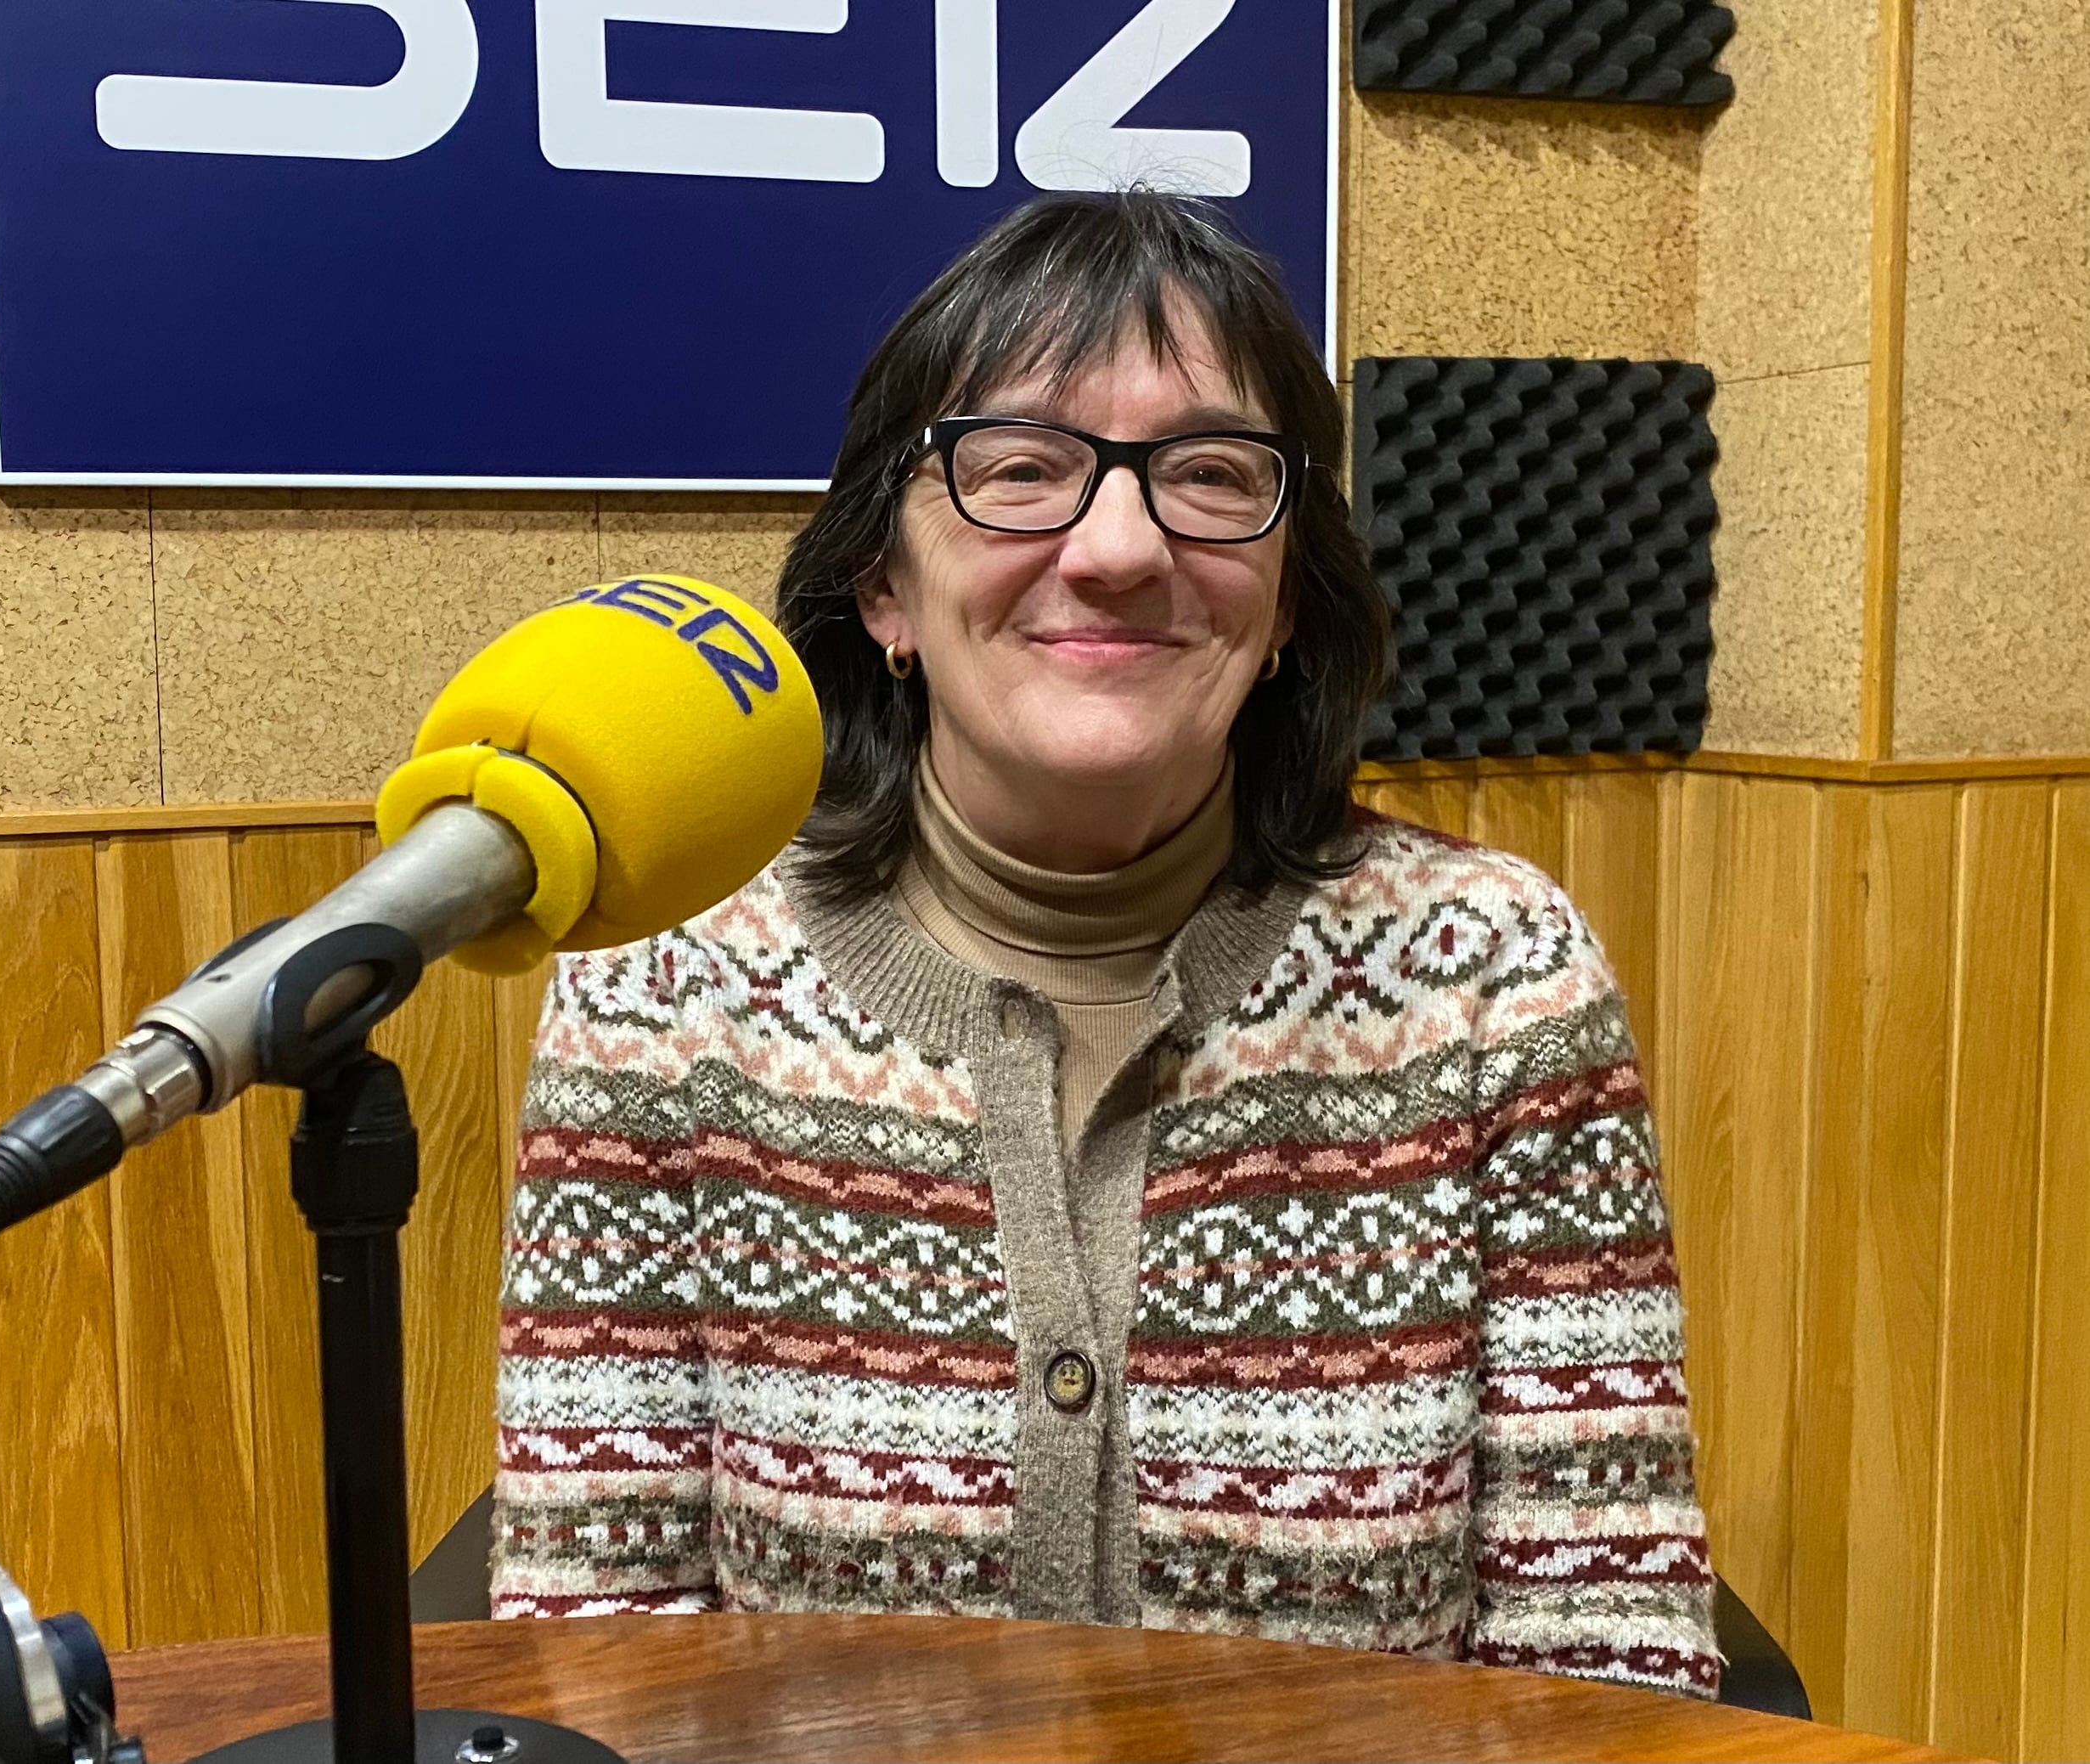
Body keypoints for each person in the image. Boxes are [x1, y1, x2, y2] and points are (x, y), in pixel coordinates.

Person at [489, 191, 1721, 1699]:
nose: (1120, 545)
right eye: (1021, 469)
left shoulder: (1487, 978)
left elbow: (1607, 1655)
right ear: (884, 585)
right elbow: (594, 1655)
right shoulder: (664, 981)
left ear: (1284, 599)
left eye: (1209, 473)